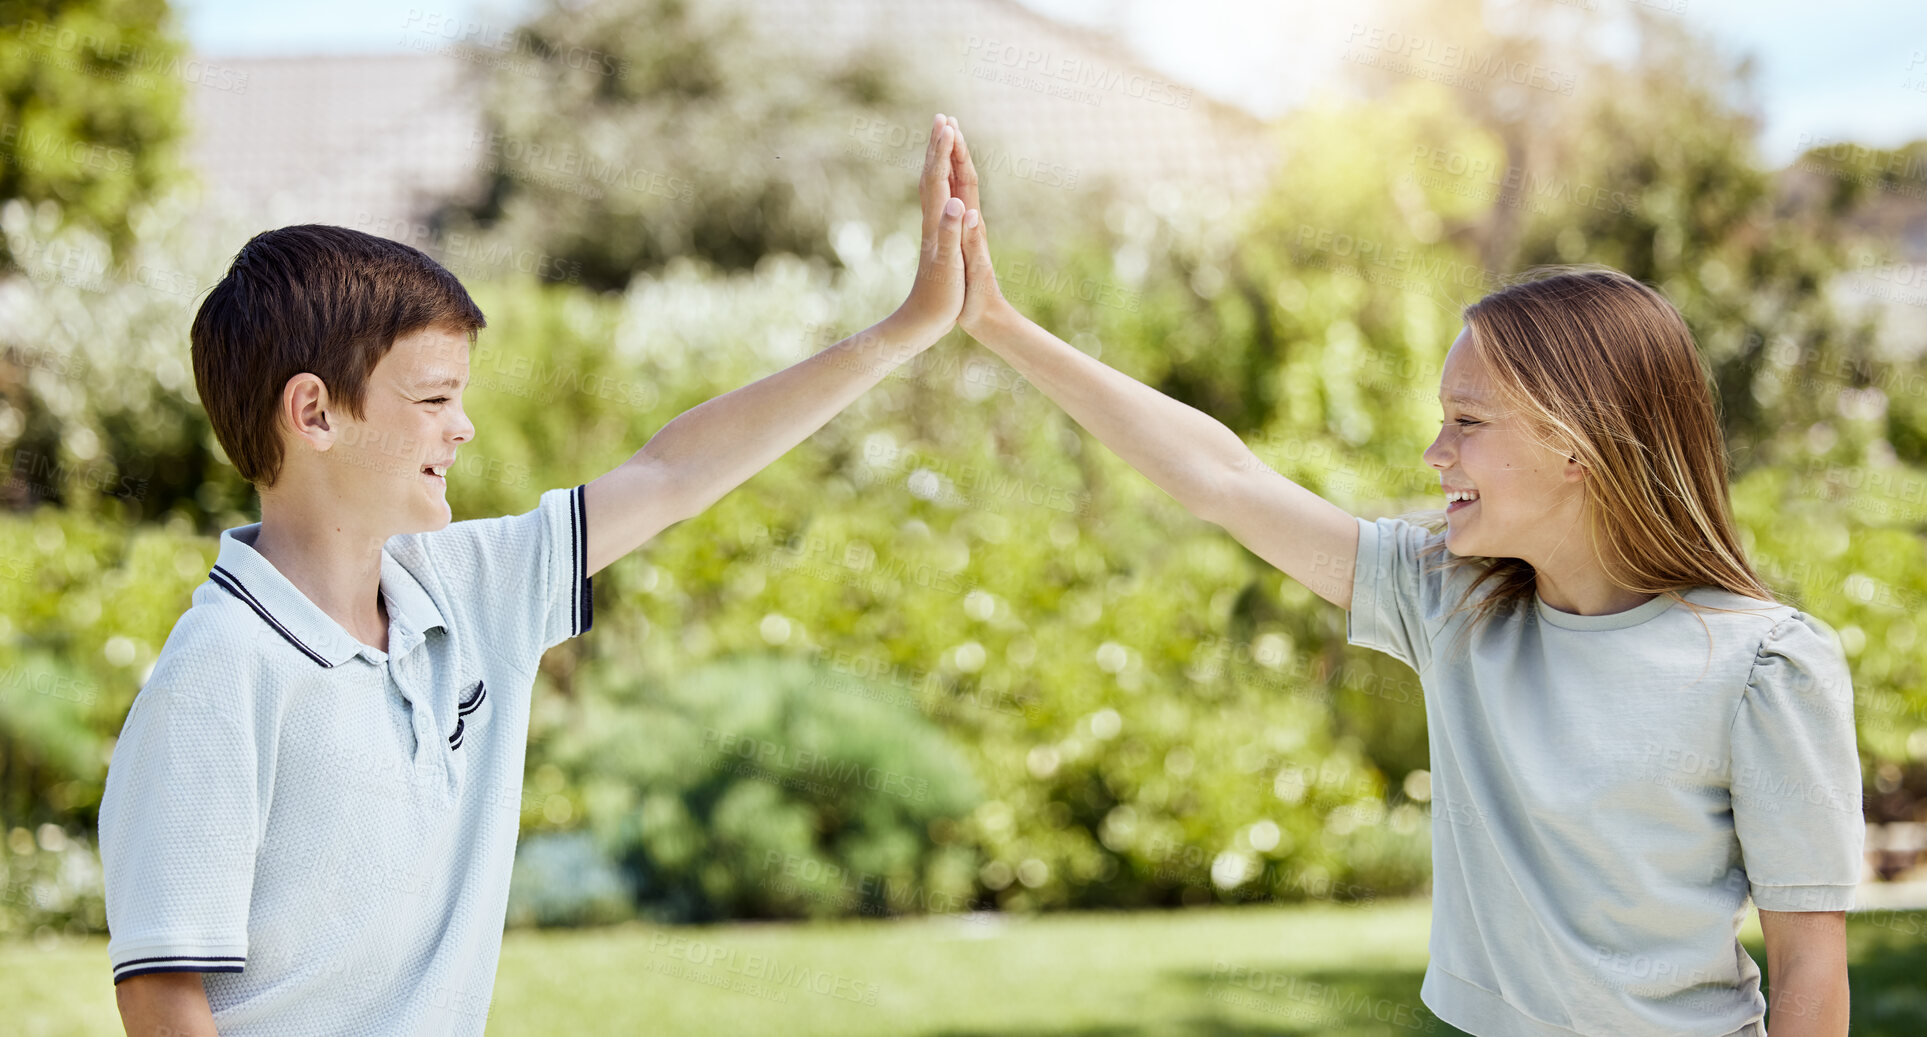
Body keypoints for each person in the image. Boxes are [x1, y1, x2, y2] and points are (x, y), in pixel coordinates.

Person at [941, 115, 1861, 1037]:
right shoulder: (1452, 602)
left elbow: (1808, 964)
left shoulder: (1763, 666)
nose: (1434, 452)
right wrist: (998, 323)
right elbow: (1224, 479)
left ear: (1575, 444)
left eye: (1467, 421)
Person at [98, 114, 971, 1036]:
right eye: (434, 398)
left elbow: (670, 475)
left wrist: (906, 330)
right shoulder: (220, 670)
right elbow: (160, 994)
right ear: (314, 412)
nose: (462, 427)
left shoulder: (472, 589)